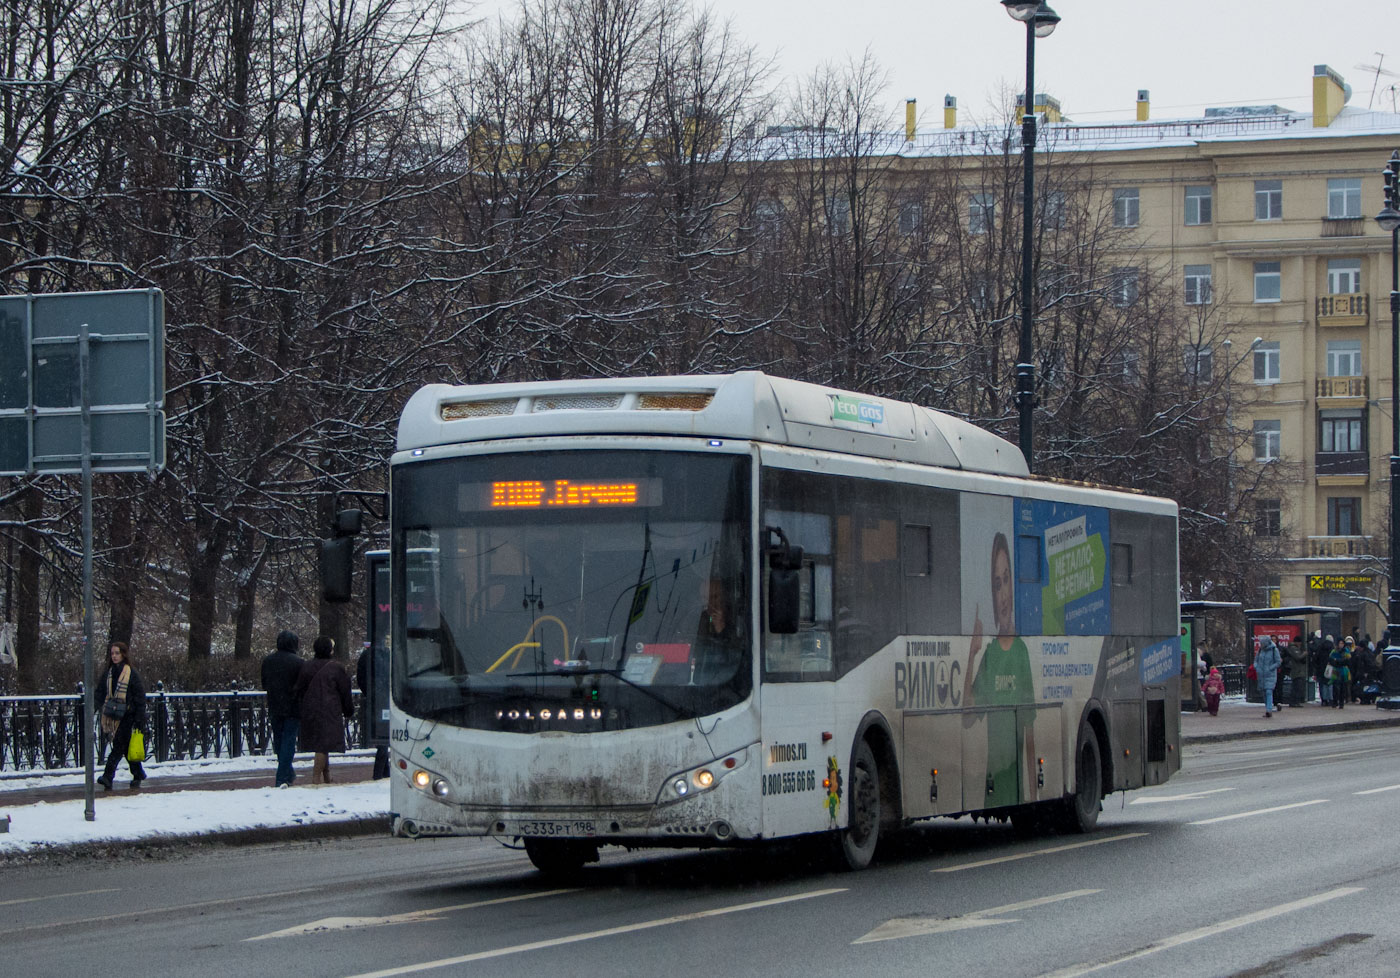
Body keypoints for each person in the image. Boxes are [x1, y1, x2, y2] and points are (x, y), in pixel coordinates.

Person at [963, 532, 1034, 807]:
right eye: (996, 584)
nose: (1002, 593)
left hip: (1017, 788)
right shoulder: (990, 654)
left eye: (1006, 580)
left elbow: (1030, 736)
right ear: (992, 594)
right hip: (993, 792)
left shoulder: (1022, 651)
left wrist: (1034, 798)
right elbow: (967, 715)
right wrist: (972, 653)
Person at [294, 636, 355, 783]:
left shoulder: (306, 666)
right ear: (330, 650)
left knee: (322, 743)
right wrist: (348, 710)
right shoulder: (336, 668)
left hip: (310, 710)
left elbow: (299, 689)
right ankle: (316, 778)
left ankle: (327, 776)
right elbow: (345, 691)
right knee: (323, 744)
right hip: (329, 711)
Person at [95, 641, 148, 790]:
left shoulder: (131, 673)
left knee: (118, 746)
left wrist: (139, 717)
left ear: (123, 654)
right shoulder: (109, 673)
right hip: (114, 715)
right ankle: (138, 773)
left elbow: (139, 696)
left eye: (117, 653)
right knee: (124, 747)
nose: (114, 656)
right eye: (112, 653)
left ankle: (107, 777)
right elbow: (100, 692)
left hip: (128, 716)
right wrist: (92, 707)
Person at [261, 629, 303, 787]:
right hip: (292, 707)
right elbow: (301, 686)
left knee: (279, 741)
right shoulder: (299, 663)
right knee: (289, 741)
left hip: (275, 705)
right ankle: (282, 776)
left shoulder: (268, 661)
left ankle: (287, 772)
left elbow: (264, 683)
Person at [356, 642, 390, 780]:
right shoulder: (387, 654)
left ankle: (385, 771)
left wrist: (369, 693)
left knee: (382, 735)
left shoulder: (366, 655)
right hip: (385, 698)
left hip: (374, 698)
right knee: (384, 737)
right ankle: (379, 772)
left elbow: (361, 679)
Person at [1255, 635, 1281, 718]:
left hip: (1270, 674)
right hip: (1261, 674)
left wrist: (1270, 668)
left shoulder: (1274, 650)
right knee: (1263, 692)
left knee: (1269, 691)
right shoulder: (1260, 650)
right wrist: (1257, 667)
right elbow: (1256, 660)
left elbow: (1278, 662)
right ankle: (1267, 707)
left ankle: (1269, 710)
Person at [1329, 637, 1353, 709]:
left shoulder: (1346, 651)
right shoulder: (1334, 651)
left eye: (1342, 643)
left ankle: (1341, 702)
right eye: (1340, 643)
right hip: (1336, 671)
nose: (1341, 645)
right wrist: (1339, 661)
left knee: (1342, 687)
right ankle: (1335, 701)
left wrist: (1338, 660)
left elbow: (1347, 661)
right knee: (1335, 687)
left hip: (1343, 671)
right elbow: (1331, 660)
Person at [1286, 638, 1308, 706]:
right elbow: (1298, 657)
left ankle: (1295, 701)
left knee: (1297, 687)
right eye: (1299, 642)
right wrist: (1304, 654)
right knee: (1296, 687)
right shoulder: (1293, 648)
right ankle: (1294, 701)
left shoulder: (1296, 648)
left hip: (1298, 671)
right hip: (1297, 671)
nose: (1300, 644)